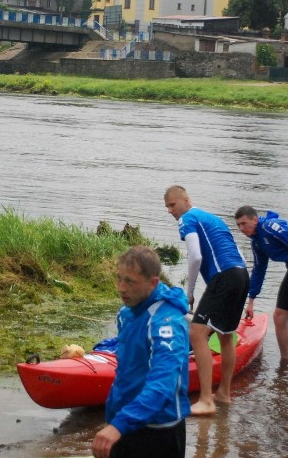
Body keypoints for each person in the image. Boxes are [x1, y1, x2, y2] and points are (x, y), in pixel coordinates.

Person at [91, 246, 190, 458]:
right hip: (122, 419)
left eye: (130, 281)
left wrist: (119, 424)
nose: (121, 288)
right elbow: (128, 366)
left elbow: (162, 386)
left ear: (153, 283)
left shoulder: (167, 323)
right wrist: (116, 420)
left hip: (158, 430)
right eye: (119, 279)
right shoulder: (126, 312)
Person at [163, 186, 250, 416]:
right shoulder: (213, 218)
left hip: (224, 276)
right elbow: (238, 252)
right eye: (167, 207)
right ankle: (223, 394)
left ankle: (205, 400)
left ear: (186, 199)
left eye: (173, 205)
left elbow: (196, 256)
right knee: (226, 335)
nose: (170, 210)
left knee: (197, 334)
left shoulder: (187, 219)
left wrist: (190, 291)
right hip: (241, 275)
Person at [234, 206, 288, 371]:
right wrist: (251, 301)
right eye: (238, 225)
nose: (241, 229)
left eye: (244, 223)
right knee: (279, 317)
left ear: (255, 219)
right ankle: (285, 362)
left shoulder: (273, 227)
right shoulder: (256, 242)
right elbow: (259, 271)